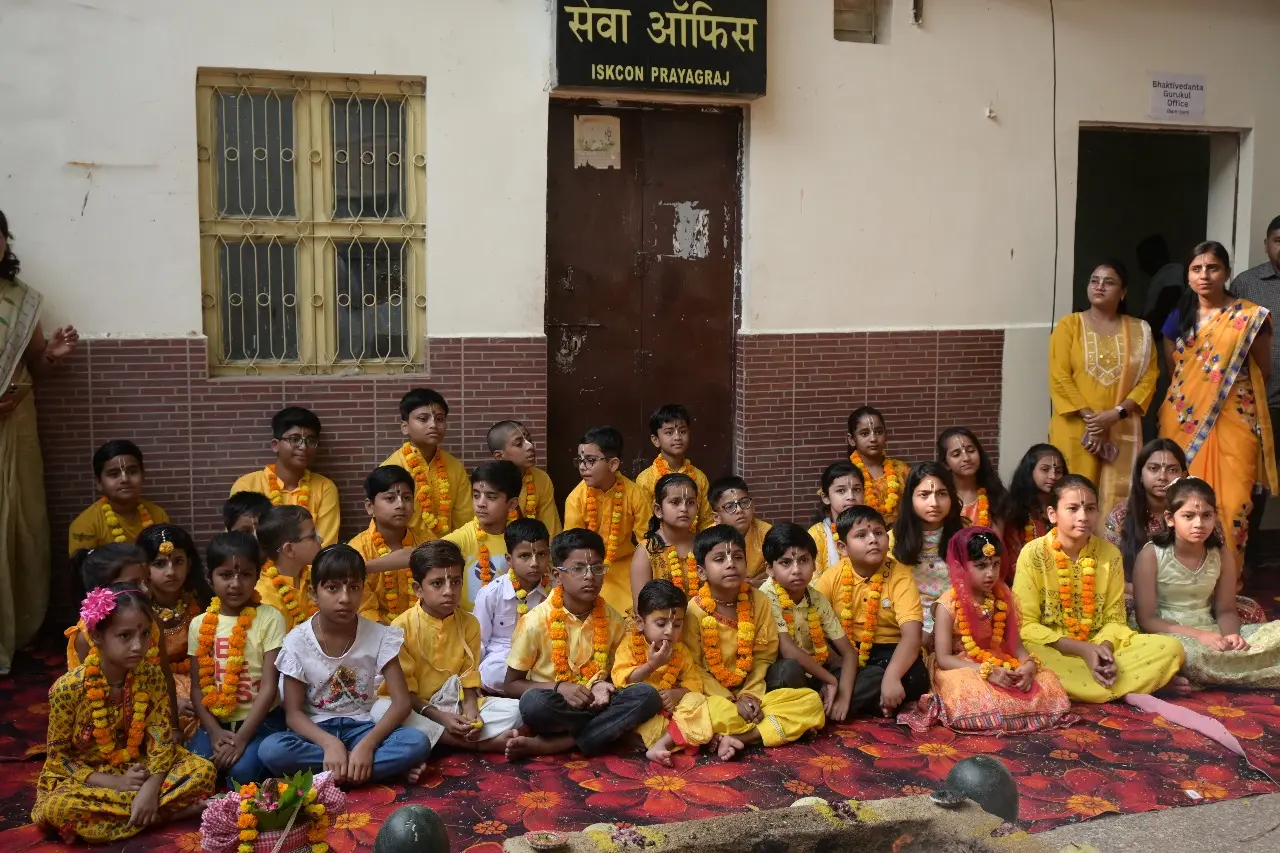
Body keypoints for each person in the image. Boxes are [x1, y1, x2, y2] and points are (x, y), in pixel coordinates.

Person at [32, 586, 214, 843]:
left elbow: (161, 742)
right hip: (89, 777)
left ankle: (130, 814)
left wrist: (150, 788)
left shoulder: (151, 677)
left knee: (203, 771)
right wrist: (114, 783)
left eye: (144, 634)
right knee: (59, 808)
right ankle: (165, 815)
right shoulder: (67, 689)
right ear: (97, 636)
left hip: (141, 768)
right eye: (125, 636)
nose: (138, 646)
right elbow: (59, 759)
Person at [257, 544, 432, 784]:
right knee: (272, 750)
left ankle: (332, 774)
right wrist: (330, 744)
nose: (345, 598)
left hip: (363, 727)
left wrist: (368, 746)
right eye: (332, 588)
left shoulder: (379, 635)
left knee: (417, 742)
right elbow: (294, 715)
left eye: (354, 587)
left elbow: (401, 703)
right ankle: (367, 770)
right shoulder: (297, 641)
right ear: (313, 593)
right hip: (317, 733)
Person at [1158, 241, 1278, 574]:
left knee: (1233, 503)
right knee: (1184, 501)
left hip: (1236, 421)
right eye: (1196, 269)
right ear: (1187, 275)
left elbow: (1263, 371)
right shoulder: (1178, 317)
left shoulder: (1250, 317)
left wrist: (1221, 392)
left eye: (1213, 268)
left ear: (1226, 272)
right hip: (1183, 421)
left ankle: (1226, 583)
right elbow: (1175, 371)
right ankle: (1185, 581)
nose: (1204, 275)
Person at [1012, 475, 1184, 702]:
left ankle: (1080, 686)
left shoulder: (1109, 555)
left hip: (1099, 644)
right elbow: (1025, 625)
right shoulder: (1033, 553)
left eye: (1090, 508)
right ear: (1053, 514)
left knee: (1171, 648)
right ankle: (1132, 684)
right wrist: (1082, 650)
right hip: (1054, 648)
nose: (1083, 517)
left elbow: (1115, 619)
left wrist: (1104, 651)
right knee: (1030, 652)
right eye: (1073, 508)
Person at [0, 209, 78, 676]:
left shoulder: (22, 301)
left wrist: (52, 355)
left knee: (19, 522)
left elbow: (35, 366)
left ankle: (17, 630)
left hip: (16, 423)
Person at [503, 528, 661, 759]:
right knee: (533, 703)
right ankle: (609, 731)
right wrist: (560, 688)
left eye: (597, 568)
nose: (589, 576)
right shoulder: (535, 622)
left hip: (600, 702)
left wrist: (601, 685)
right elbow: (511, 685)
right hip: (558, 704)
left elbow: (619, 673)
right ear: (557, 575)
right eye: (578, 568)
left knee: (647, 695)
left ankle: (559, 743)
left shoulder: (614, 620)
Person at [901, 527, 1074, 734]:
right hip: (959, 667)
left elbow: (1017, 648)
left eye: (995, 564)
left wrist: (1028, 666)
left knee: (1047, 681)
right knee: (967, 691)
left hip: (997, 660)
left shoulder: (1002, 598)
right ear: (961, 566)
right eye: (981, 566)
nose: (991, 573)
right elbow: (944, 659)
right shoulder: (948, 604)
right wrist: (985, 672)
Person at [682, 525, 825, 758]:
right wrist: (731, 701)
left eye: (738, 557)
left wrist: (749, 696)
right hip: (715, 698)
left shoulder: (758, 601)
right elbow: (694, 668)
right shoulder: (694, 611)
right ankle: (767, 730)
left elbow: (764, 657)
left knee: (810, 701)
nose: (731, 564)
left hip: (757, 695)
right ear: (701, 572)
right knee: (698, 713)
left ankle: (737, 738)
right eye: (719, 559)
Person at [372, 541, 522, 759]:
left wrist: (471, 710)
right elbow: (403, 693)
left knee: (516, 711)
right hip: (417, 707)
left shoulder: (469, 623)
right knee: (381, 710)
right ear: (418, 589)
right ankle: (473, 744)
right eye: (437, 583)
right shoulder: (400, 627)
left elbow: (469, 676)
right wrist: (439, 716)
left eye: (455, 582)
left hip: (455, 703)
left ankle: (441, 737)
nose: (449, 591)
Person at [1133, 477, 1280, 689]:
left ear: (1215, 517)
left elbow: (1226, 610)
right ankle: (1249, 670)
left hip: (1211, 629)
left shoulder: (1221, 554)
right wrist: (1200, 636)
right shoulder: (1151, 555)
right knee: (1187, 655)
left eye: (1207, 515)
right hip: (1169, 635)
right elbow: (1146, 619)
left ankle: (1229, 669)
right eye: (1188, 516)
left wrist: (1231, 636)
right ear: (1170, 518)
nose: (1199, 524)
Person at [1104, 438, 1265, 624]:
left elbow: (1216, 565)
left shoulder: (1202, 515)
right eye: (1153, 468)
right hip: (1139, 597)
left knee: (1250, 610)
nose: (1162, 476)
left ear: (1184, 474)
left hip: (1194, 598)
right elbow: (1109, 573)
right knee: (1120, 609)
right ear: (1140, 474)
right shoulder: (1121, 516)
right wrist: (1148, 591)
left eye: (1172, 470)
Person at [1048, 260, 1159, 518]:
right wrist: (1093, 421)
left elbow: (1149, 378)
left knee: (1114, 502)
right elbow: (1059, 376)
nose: (1099, 286)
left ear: (1123, 292)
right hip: (1075, 429)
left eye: (1109, 282)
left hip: (1120, 428)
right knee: (1074, 495)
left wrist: (1116, 414)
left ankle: (1110, 545)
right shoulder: (1069, 326)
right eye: (1094, 281)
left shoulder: (1140, 331)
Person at [187, 532, 287, 783]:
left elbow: (269, 687)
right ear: (209, 577)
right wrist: (213, 731)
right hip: (216, 721)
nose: (235, 584)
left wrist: (241, 740)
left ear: (257, 575)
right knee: (196, 768)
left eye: (245, 575)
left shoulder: (269, 618)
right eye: (225, 575)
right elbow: (197, 689)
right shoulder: (199, 624)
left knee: (241, 773)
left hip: (260, 722)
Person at [815, 506, 930, 718]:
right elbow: (814, 626)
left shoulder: (901, 576)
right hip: (845, 653)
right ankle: (873, 701)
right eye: (861, 535)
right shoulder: (832, 577)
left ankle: (839, 703)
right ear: (842, 547)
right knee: (822, 671)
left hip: (890, 652)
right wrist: (835, 659)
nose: (873, 540)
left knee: (917, 678)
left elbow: (912, 637)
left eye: (878, 533)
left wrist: (892, 677)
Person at [758, 523, 857, 722]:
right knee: (788, 670)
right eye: (786, 563)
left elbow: (849, 653)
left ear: (814, 564)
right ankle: (818, 707)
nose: (796, 570)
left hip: (817, 674)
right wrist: (830, 680)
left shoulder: (817, 599)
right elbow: (787, 650)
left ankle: (821, 707)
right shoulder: (765, 597)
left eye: (803, 560)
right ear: (770, 568)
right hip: (785, 677)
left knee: (871, 675)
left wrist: (844, 697)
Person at [612, 579, 715, 765]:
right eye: (661, 624)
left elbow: (694, 682)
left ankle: (662, 744)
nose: (669, 631)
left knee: (697, 701)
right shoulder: (629, 645)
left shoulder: (680, 650)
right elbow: (622, 680)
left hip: (672, 710)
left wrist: (678, 694)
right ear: (640, 622)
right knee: (643, 720)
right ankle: (676, 739)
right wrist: (652, 665)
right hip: (644, 712)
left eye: (677, 625)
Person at [563, 426, 652, 614]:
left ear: (613, 464)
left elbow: (647, 542)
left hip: (628, 568)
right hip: (589, 571)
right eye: (580, 460)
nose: (582, 467)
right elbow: (571, 547)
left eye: (590, 460)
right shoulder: (576, 498)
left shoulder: (635, 494)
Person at [229, 407, 341, 547]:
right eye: (295, 439)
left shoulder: (325, 488)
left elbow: (324, 546)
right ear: (275, 445)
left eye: (311, 440)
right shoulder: (247, 486)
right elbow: (238, 543)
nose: (303, 447)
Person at [139, 524, 211, 741]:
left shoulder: (205, 602)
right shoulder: (137, 610)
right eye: (159, 564)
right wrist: (170, 702)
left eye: (178, 561)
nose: (170, 572)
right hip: (152, 684)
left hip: (201, 679)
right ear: (144, 568)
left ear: (189, 564)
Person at [382, 388, 473, 540]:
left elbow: (465, 519)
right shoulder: (392, 468)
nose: (433, 425)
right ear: (405, 427)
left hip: (447, 548)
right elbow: (385, 522)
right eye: (423, 419)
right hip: (404, 550)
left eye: (439, 419)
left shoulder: (455, 466)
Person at [474, 518, 551, 694]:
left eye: (541, 554)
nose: (534, 563)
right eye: (525, 556)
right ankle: (542, 690)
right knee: (493, 674)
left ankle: (535, 690)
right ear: (509, 559)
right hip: (503, 660)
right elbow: (479, 643)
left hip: (543, 659)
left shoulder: (555, 591)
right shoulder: (491, 594)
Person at [891, 461, 966, 640]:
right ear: (910, 498)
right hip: (908, 623)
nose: (934, 503)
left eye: (941, 494)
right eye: (924, 495)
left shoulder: (966, 535)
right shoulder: (893, 539)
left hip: (959, 621)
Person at [1227, 215, 1280, 451]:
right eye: (1278, 241)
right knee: (1261, 465)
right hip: (1259, 398)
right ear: (1266, 244)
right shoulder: (1246, 284)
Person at [352, 466, 429, 624]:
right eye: (390, 498)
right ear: (370, 506)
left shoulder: (426, 541)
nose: (401, 505)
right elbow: (365, 609)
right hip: (375, 633)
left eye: (406, 498)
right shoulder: (357, 550)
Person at [443, 460, 522, 610]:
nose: (481, 503)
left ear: (512, 504)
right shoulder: (465, 536)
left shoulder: (522, 539)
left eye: (491, 497)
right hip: (470, 622)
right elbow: (422, 554)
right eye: (476, 495)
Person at [68, 440, 169, 555]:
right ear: (99, 482)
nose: (125, 479)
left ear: (143, 475)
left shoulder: (158, 515)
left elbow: (167, 558)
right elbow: (83, 565)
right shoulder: (85, 524)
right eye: (114, 474)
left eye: (132, 472)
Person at [634, 404, 715, 530]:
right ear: (655, 440)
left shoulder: (699, 478)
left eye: (682, 431)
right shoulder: (646, 480)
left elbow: (706, 522)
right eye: (669, 432)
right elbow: (644, 526)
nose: (677, 437)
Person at [630, 472, 700, 607]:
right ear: (658, 510)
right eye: (675, 502)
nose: (684, 509)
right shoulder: (646, 552)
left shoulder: (703, 545)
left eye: (690, 503)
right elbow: (641, 607)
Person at [487, 419, 562, 536]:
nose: (530, 446)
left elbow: (550, 529)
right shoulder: (488, 484)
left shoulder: (541, 478)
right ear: (499, 456)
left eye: (529, 440)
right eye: (519, 444)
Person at [255, 505, 323, 631]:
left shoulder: (312, 577)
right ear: (289, 549)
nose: (321, 540)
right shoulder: (264, 598)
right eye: (312, 536)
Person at [1001, 444, 1067, 570]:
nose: (1053, 476)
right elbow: (1012, 558)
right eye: (1045, 469)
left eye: (1058, 471)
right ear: (1029, 471)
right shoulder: (1015, 510)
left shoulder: (1067, 508)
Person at [847, 407, 910, 526]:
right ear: (852, 439)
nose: (873, 439)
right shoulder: (847, 475)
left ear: (886, 435)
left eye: (878, 432)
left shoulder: (902, 471)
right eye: (865, 434)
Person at [937, 427, 1008, 530]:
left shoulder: (995, 495)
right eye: (956, 454)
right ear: (946, 464)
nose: (966, 458)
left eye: (971, 451)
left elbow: (996, 538)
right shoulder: (940, 498)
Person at [709, 476, 773, 583]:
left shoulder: (768, 534)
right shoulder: (708, 538)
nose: (739, 510)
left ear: (753, 506)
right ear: (716, 517)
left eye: (744, 502)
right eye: (729, 506)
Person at [807, 461, 865, 577]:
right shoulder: (817, 535)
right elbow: (812, 581)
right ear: (826, 497)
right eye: (841, 491)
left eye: (857, 489)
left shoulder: (873, 530)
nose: (851, 497)